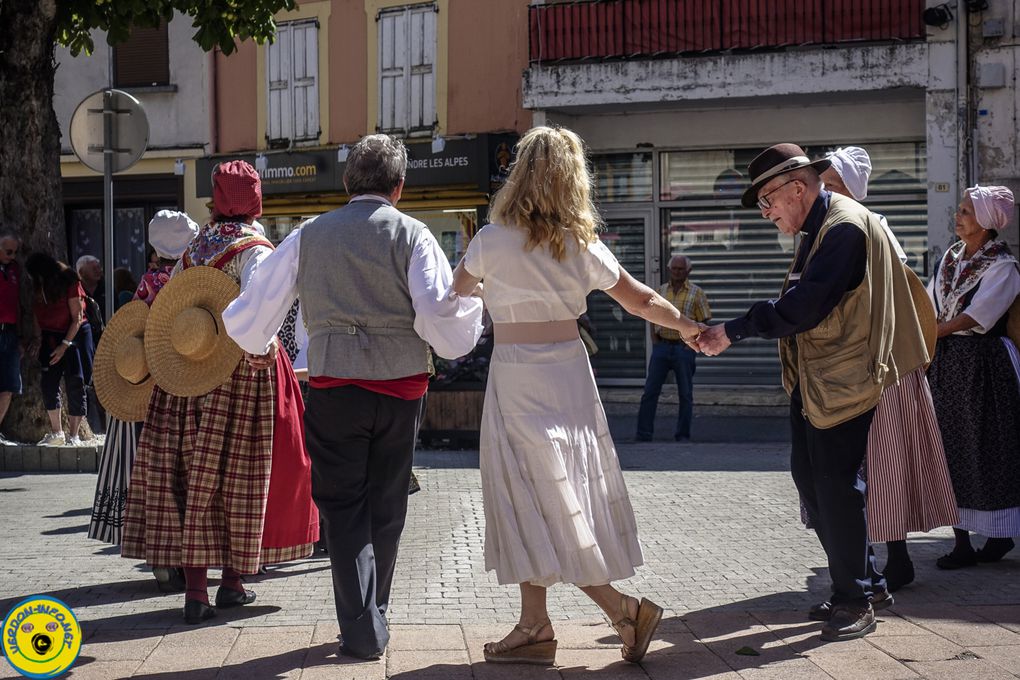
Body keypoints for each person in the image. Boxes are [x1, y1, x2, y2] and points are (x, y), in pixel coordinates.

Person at [222, 135, 483, 659]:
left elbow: (254, 316)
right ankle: (373, 615)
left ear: (346, 184)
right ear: (400, 187)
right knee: (386, 504)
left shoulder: (308, 235)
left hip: (335, 387)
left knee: (342, 509)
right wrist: (472, 312)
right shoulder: (414, 235)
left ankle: (363, 625)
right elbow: (439, 319)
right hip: (402, 387)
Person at [452, 126, 703, 665]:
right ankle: (535, 624)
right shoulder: (580, 244)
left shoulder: (490, 241)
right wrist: (687, 327)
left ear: (518, 176)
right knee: (550, 494)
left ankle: (622, 611)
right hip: (569, 378)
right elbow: (642, 301)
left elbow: (455, 291)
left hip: (515, 378)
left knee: (534, 495)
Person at [698, 143, 927, 641]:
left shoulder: (843, 227)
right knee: (814, 481)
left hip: (845, 380)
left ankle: (857, 596)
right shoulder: (819, 226)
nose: (767, 213)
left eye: (768, 202)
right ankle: (864, 581)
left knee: (837, 486)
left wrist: (733, 329)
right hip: (819, 382)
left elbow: (806, 306)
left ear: (796, 188)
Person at [121, 161, 319, 624]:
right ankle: (231, 582)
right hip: (237, 371)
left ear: (214, 198)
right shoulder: (255, 248)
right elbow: (258, 307)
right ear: (255, 199)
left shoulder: (194, 246)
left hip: (186, 372)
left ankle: (196, 591)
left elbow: (172, 303)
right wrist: (265, 352)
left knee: (191, 473)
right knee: (240, 475)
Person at [813, 147, 958, 591]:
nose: (823, 194)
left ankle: (890, 560)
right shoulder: (825, 234)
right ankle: (869, 561)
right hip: (851, 368)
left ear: (851, 193)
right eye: (822, 186)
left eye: (832, 187)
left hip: (881, 370)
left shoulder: (868, 231)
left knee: (882, 462)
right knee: (857, 467)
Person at [88, 211, 198, 562]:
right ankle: (180, 548)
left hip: (143, 383)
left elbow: (136, 326)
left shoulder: (149, 280)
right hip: (182, 381)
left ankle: (155, 547)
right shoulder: (192, 280)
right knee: (182, 469)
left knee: (148, 468)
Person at [926, 185, 1020, 568]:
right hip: (949, 364)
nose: (958, 216)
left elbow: (980, 317)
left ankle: (998, 535)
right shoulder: (951, 257)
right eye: (961, 209)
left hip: (985, 366)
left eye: (966, 211)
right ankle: (961, 541)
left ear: (986, 221)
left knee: (987, 445)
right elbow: (932, 300)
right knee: (949, 446)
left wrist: (936, 331)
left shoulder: (1003, 266)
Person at [635, 254, 711, 442]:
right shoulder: (660, 291)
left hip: (683, 349)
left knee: (685, 393)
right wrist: (654, 338)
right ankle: (644, 434)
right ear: (669, 270)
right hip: (662, 347)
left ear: (688, 271)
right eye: (674, 269)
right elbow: (650, 314)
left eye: (681, 269)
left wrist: (693, 344)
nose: (677, 272)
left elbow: (705, 319)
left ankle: (682, 435)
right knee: (650, 391)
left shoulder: (697, 293)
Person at [26, 252, 95, 446]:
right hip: (50, 336)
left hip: (74, 335)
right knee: (48, 383)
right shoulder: (39, 286)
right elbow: (36, 312)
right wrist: (38, 338)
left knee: (76, 382)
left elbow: (78, 318)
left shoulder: (69, 281)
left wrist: (64, 346)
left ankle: (74, 435)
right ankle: (57, 432)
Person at [0, 233, 23, 444]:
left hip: (10, 331)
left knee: (9, 385)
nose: (12, 255)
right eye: (8, 251)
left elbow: (17, 302)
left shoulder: (14, 269)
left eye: (15, 252)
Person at [76, 254, 105, 320]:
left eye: (99, 267)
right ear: (81, 272)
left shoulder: (107, 288)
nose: (99, 271)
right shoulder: (75, 290)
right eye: (94, 269)